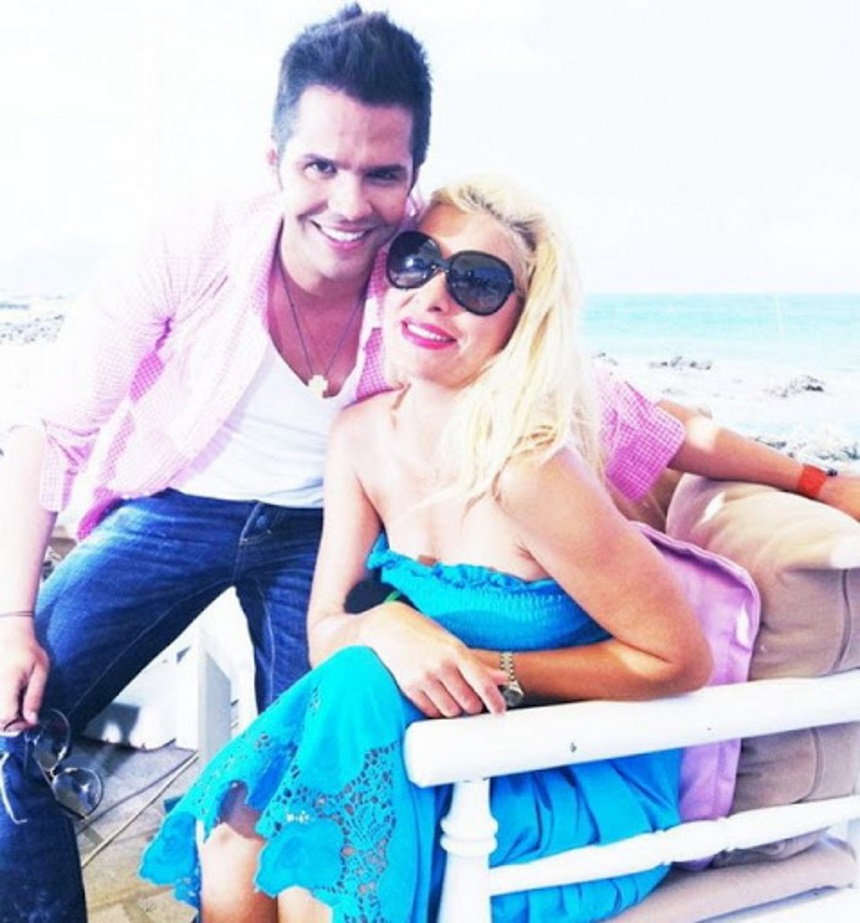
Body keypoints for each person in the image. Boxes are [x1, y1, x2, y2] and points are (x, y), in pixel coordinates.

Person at [0, 4, 857, 921]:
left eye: (380, 175)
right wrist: (13, 617)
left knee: (295, 816)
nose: (347, 204)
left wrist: (816, 479)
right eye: (319, 166)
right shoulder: (207, 248)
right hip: (181, 502)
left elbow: (633, 412)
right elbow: (52, 427)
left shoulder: (419, 276)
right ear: (275, 160)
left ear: (410, 180)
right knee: (14, 710)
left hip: (316, 531)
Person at [140, 175, 714, 922]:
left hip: (560, 776)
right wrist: (388, 626)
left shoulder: (529, 471)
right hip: (429, 749)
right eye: (417, 261)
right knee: (234, 847)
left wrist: (489, 669)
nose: (435, 296)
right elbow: (325, 628)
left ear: (521, 319)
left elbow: (679, 659)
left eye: (478, 282)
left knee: (312, 860)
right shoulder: (361, 437)